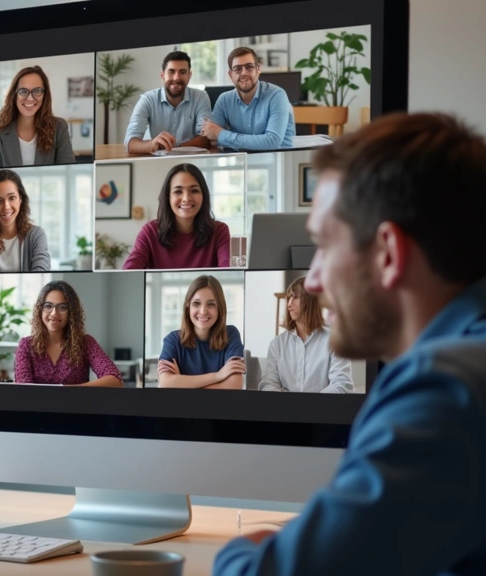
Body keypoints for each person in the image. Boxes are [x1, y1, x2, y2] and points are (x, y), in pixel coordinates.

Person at [214, 112, 486, 575]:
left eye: (322, 245)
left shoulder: (447, 388)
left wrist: (247, 550)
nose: (313, 281)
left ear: (388, 253)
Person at [14, 281, 123, 387]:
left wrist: (70, 391)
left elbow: (115, 380)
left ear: (71, 313)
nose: (54, 313)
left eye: (62, 307)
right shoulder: (27, 345)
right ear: (40, 310)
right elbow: (24, 390)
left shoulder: (85, 343)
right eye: (48, 306)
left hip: (76, 405)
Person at [123, 163, 231, 270]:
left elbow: (229, 271)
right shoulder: (149, 232)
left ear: (204, 195)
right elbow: (128, 273)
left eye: (194, 190)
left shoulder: (219, 231)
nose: (186, 198)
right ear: (168, 197)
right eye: (178, 191)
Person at [259, 276, 353, 393]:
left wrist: (310, 405)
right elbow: (268, 384)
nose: (289, 304)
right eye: (288, 298)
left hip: (324, 410)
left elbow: (341, 384)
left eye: (296, 297)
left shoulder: (334, 340)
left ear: (311, 300)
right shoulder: (277, 344)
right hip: (284, 409)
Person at [158, 275, 245, 390]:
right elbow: (165, 383)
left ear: (220, 308)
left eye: (211, 304)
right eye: (196, 303)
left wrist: (182, 383)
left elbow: (235, 385)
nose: (203, 311)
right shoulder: (172, 340)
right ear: (188, 306)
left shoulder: (231, 335)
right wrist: (217, 376)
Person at [201, 47, 296, 150]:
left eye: (249, 67)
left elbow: (272, 142)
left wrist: (222, 135)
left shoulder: (277, 95)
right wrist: (217, 135)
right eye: (237, 69)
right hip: (239, 161)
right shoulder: (224, 100)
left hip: (278, 161)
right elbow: (211, 135)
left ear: (258, 69)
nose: (243, 73)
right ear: (231, 74)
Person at [0, 65, 76, 168]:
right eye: (23, 91)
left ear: (45, 95)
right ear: (14, 95)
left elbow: (68, 170)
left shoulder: (59, 128)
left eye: (37, 91)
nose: (30, 98)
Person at [124, 51, 214, 154]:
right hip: (157, 161)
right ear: (162, 75)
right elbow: (130, 142)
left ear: (189, 75)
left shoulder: (200, 97)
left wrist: (172, 149)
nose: (176, 78)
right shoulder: (147, 100)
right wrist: (152, 144)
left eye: (182, 72)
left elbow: (205, 139)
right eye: (171, 72)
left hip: (190, 160)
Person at [0, 169, 51, 273]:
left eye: (12, 198)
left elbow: (41, 272)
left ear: (20, 199)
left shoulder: (36, 235)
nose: (6, 207)